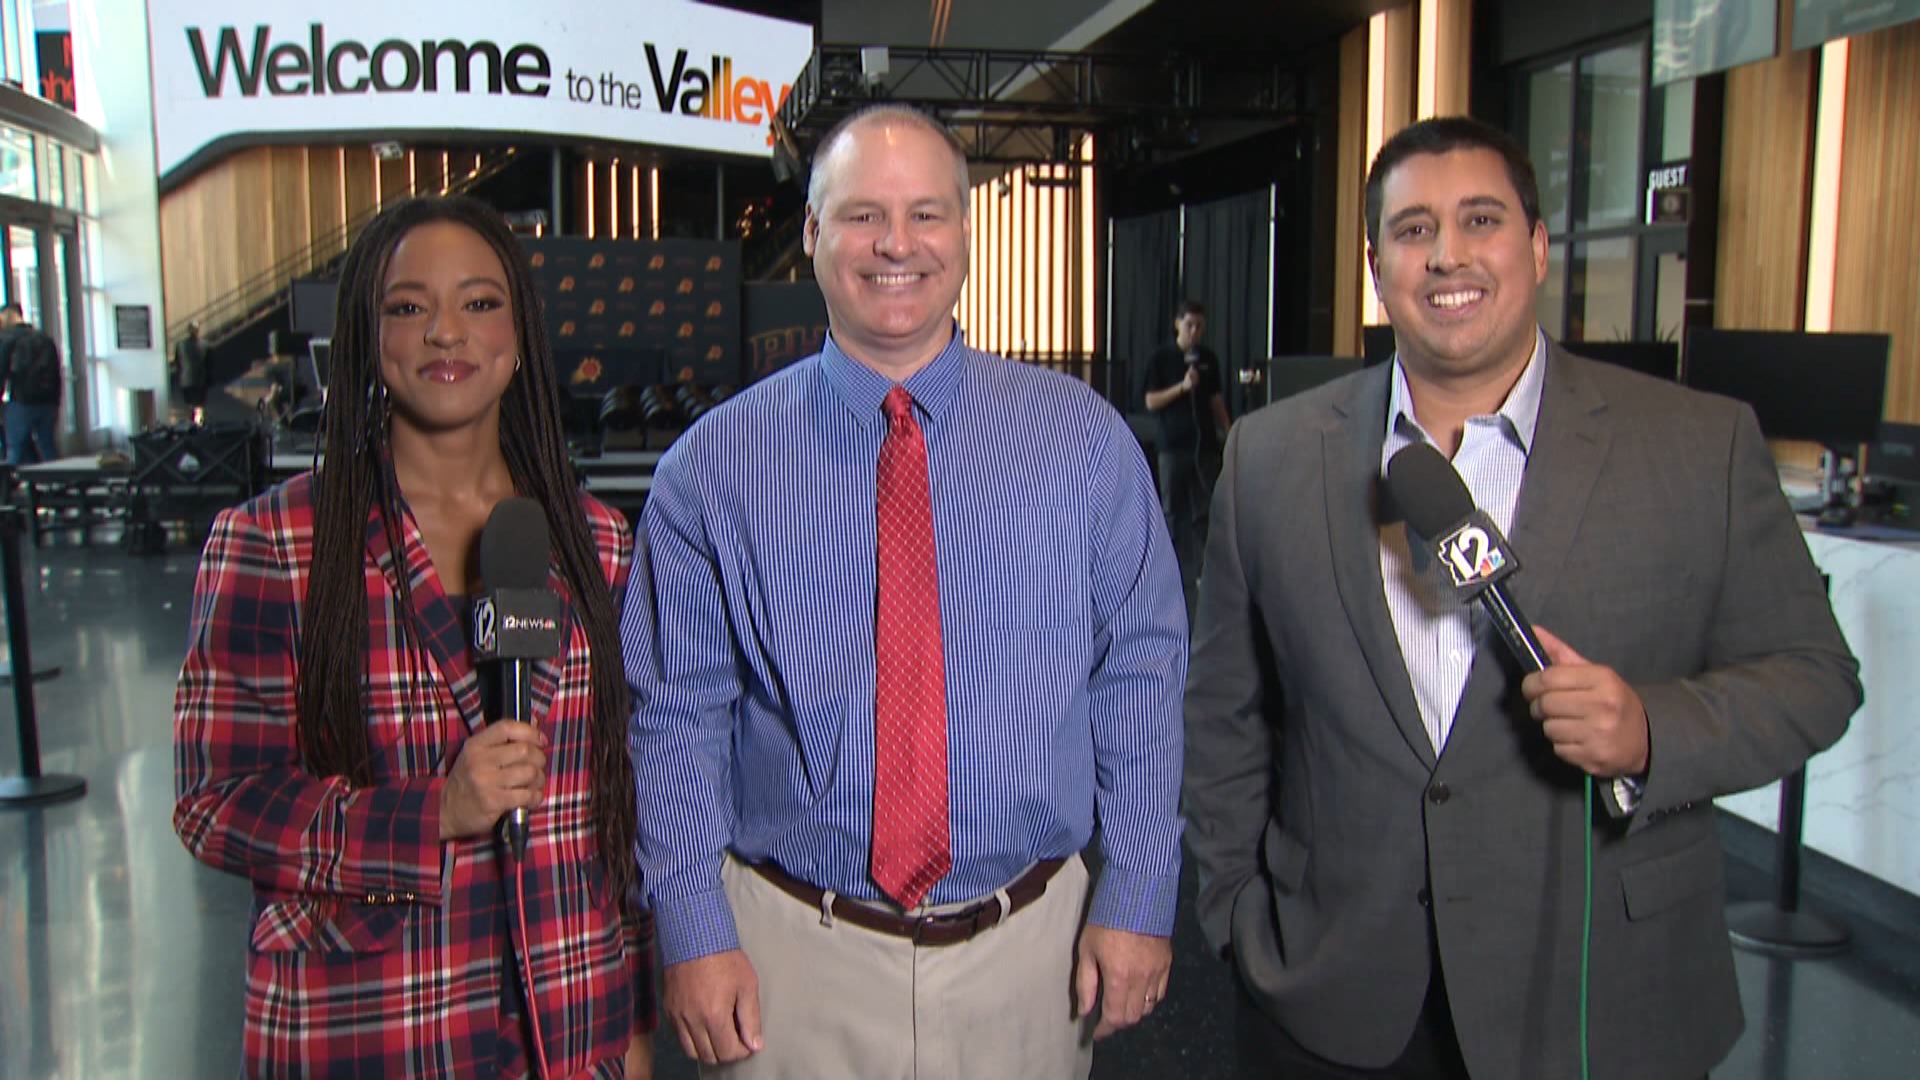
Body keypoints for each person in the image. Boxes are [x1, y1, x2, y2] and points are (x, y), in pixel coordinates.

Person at [1183, 116, 1862, 1080]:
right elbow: (1224, 713)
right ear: (1377, 268)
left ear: (1537, 248)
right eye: (1414, 230)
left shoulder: (1696, 446)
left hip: (1603, 999)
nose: (1448, 254)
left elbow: (1816, 676)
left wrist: (1651, 731)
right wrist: (1237, 911)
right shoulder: (1273, 455)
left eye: (1481, 219)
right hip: (1334, 998)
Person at [625, 104, 1187, 1078]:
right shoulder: (709, 470)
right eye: (861, 216)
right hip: (789, 952)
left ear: (965, 233)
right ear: (811, 236)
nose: (896, 244)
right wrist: (690, 925)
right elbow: (676, 716)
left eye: (927, 214)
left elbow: (1140, 675)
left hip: (1028, 955)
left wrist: (1139, 892)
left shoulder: (1085, 446)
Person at [172, 196, 656, 1078]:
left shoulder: (600, 549)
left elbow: (615, 815)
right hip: (372, 1029)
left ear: (517, 339)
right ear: (369, 336)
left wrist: (629, 1026)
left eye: (478, 303)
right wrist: (431, 812)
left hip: (564, 1027)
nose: (445, 333)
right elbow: (216, 801)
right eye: (407, 306)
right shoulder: (274, 545)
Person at [1142, 300, 1230, 563]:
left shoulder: (1208, 359)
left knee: (1204, 512)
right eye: (1189, 325)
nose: (1195, 331)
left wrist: (1228, 428)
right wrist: (1182, 387)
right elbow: (1150, 401)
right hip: (1172, 445)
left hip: (1203, 446)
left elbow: (1215, 399)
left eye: (1199, 326)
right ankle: (1168, 573)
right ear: (1177, 324)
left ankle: (1207, 573)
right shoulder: (1161, 358)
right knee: (1172, 513)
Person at [0, 302, 62, 464]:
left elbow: (1, 371)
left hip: (21, 402)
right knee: (48, 447)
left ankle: (10, 487)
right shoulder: (45, 338)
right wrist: (56, 403)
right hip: (48, 403)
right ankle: (57, 484)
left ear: (7, 316)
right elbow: (56, 373)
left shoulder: (7, 339)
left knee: (15, 450)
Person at [173, 320, 211, 423]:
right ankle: (198, 424)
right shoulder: (206, 345)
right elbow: (210, 364)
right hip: (200, 380)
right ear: (198, 330)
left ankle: (191, 422)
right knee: (199, 405)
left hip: (186, 380)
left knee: (189, 404)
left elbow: (177, 362)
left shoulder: (180, 345)